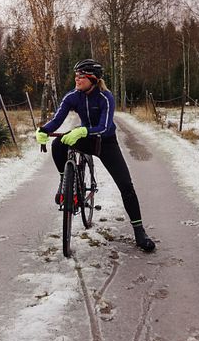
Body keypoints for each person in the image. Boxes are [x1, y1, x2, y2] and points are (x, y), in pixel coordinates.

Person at [35, 59, 156, 252]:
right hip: (85, 138)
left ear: (92, 78)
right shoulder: (72, 97)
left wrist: (83, 131)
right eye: (76, 75)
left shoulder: (105, 97)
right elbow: (57, 119)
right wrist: (43, 130)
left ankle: (139, 231)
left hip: (105, 142)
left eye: (80, 76)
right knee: (58, 143)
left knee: (126, 185)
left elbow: (105, 126)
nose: (77, 79)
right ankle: (65, 182)